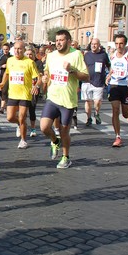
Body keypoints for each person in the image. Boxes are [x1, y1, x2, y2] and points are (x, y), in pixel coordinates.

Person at [39, 29, 89, 169]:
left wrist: (72, 70)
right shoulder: (52, 55)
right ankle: (55, 141)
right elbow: (47, 71)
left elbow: (86, 77)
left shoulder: (76, 54)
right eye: (57, 40)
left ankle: (66, 157)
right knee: (44, 127)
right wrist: (45, 77)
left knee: (64, 130)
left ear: (68, 41)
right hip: (53, 97)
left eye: (61, 40)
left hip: (68, 100)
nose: (58, 43)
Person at [0, 40, 39, 149]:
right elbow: (7, 73)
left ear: (24, 50)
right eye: (15, 48)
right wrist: (2, 83)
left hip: (25, 94)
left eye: (20, 49)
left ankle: (23, 140)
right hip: (13, 94)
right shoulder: (10, 60)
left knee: (22, 117)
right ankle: (19, 125)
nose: (17, 51)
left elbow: (37, 77)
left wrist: (36, 86)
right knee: (10, 117)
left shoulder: (30, 62)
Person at [82, 38, 110, 126]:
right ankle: (88, 118)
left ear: (99, 45)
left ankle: (97, 113)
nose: (93, 46)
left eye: (95, 44)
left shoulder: (103, 55)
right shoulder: (87, 55)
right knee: (88, 101)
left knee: (97, 102)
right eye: (92, 44)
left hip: (99, 81)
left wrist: (109, 76)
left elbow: (109, 66)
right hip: (87, 81)